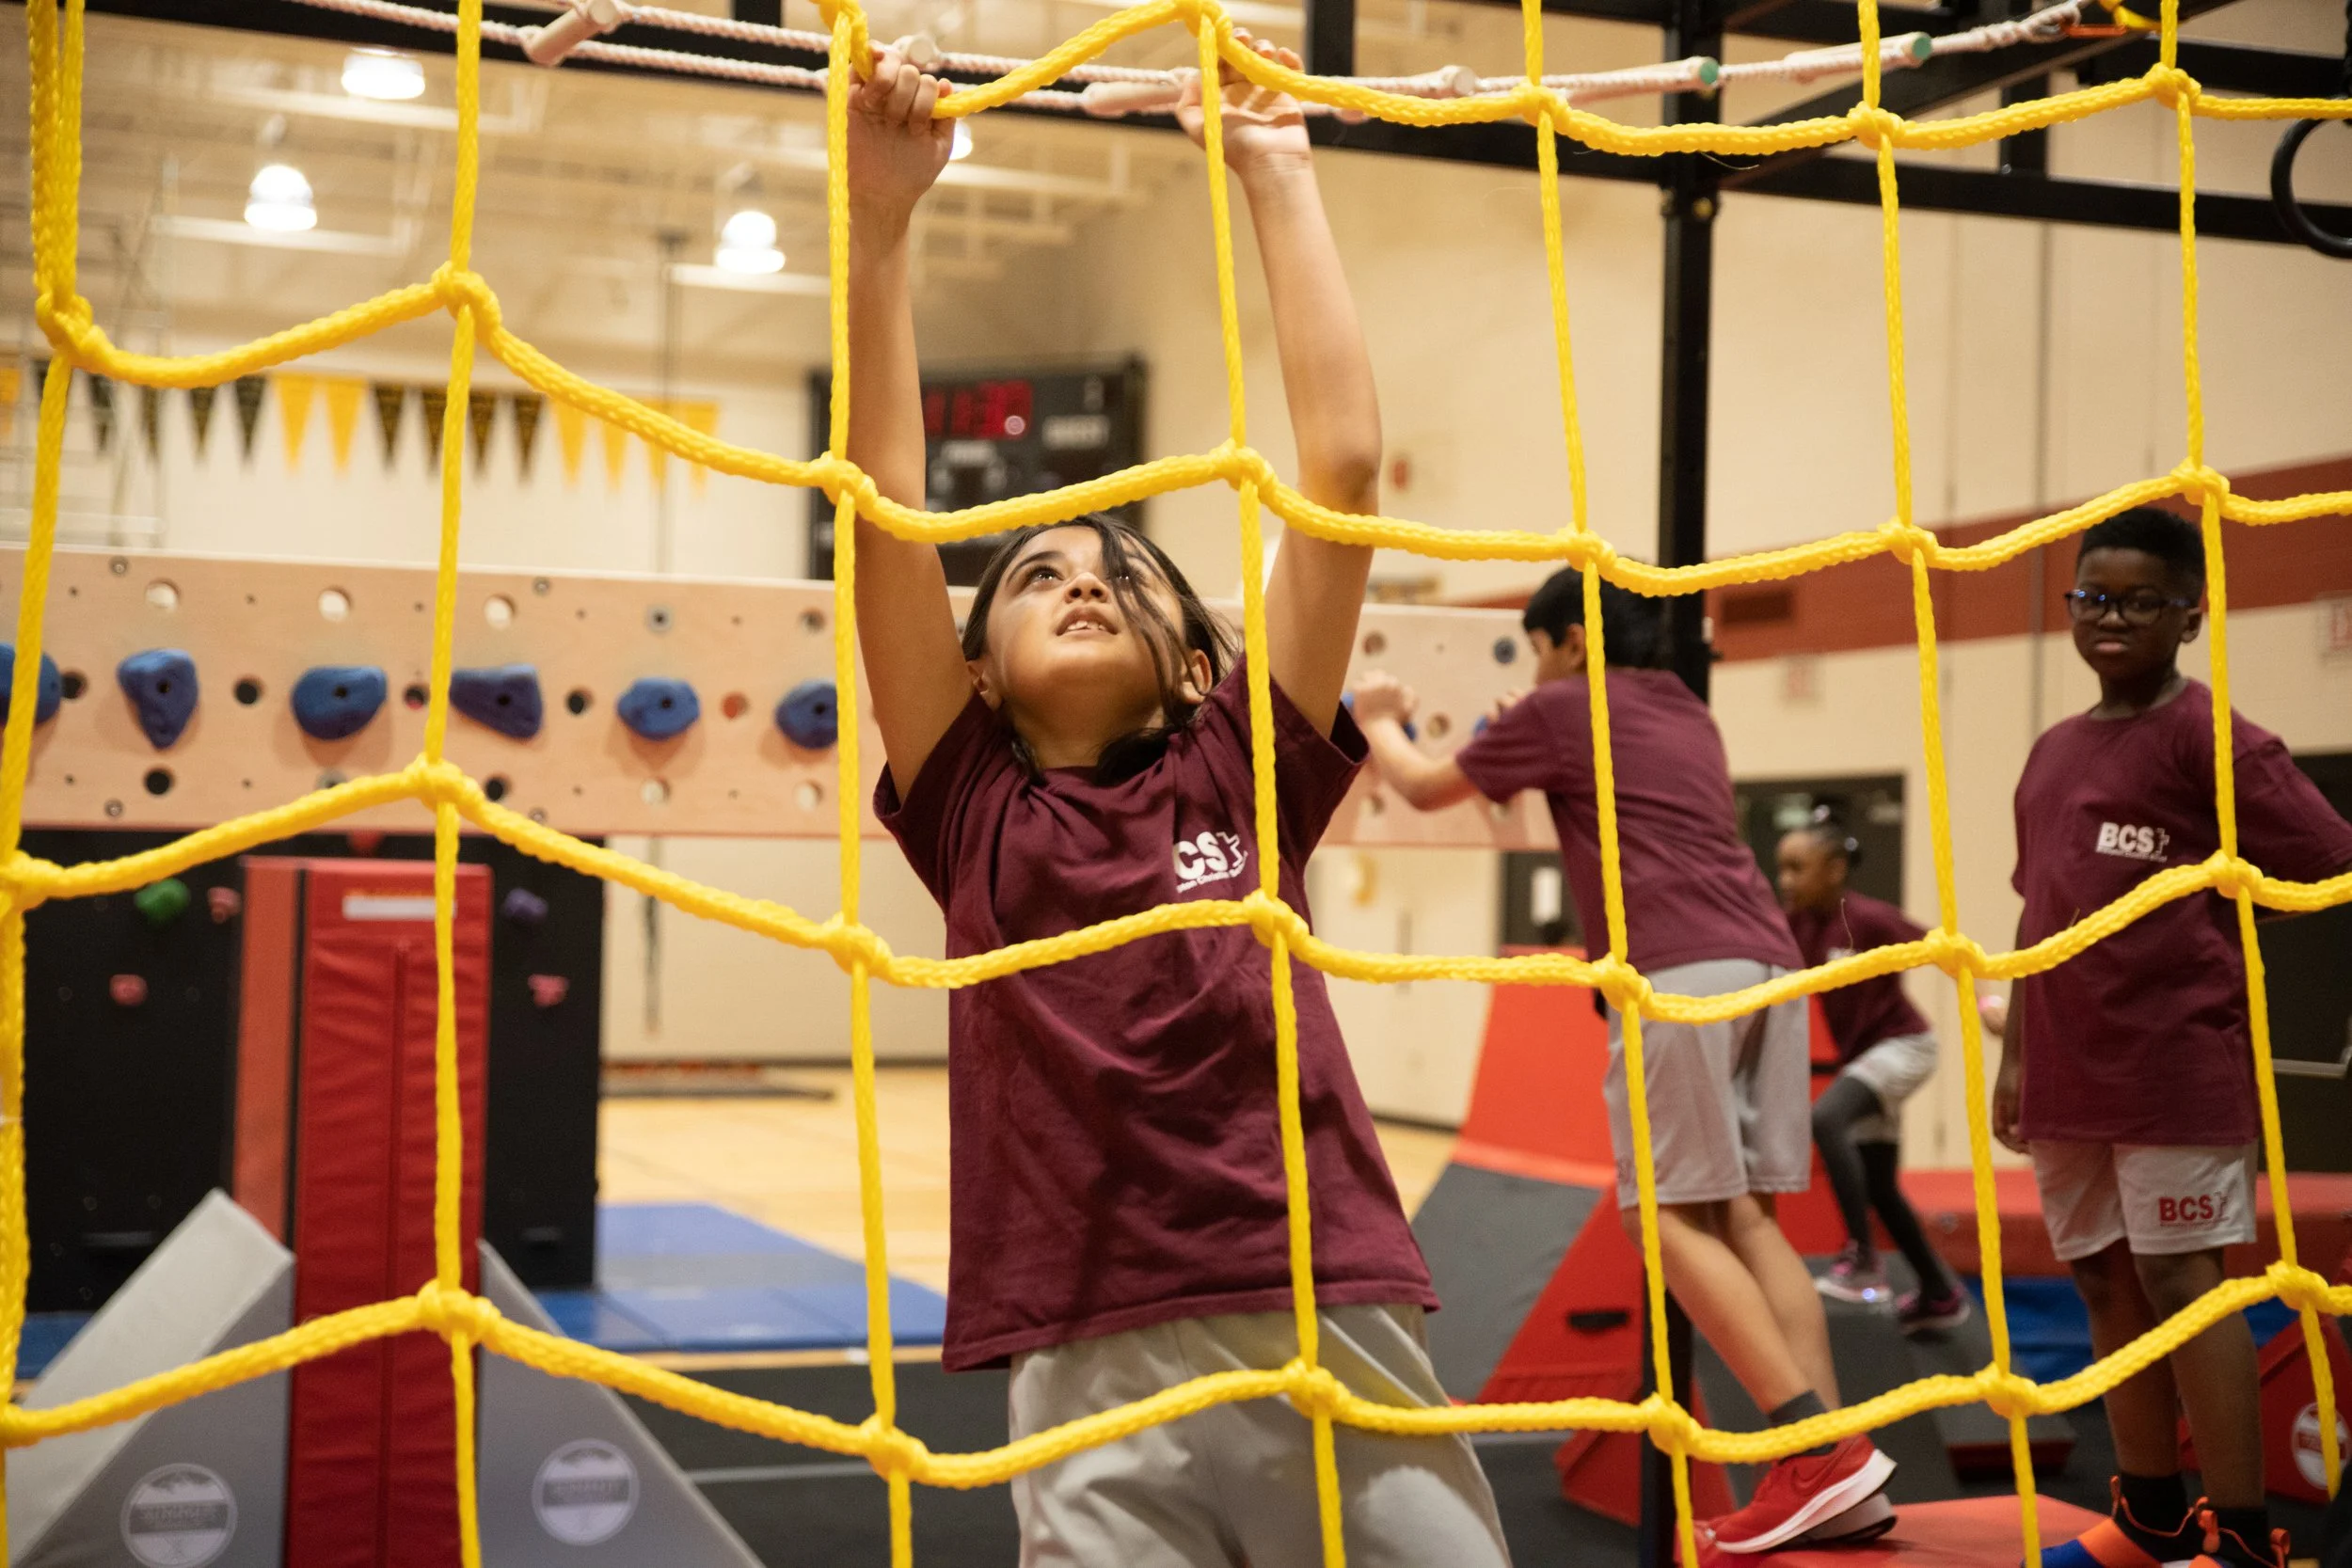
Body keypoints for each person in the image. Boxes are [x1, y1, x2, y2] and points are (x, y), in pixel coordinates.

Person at [844, 41, 1513, 1567]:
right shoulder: (972, 814)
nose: (1081, 577)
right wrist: (882, 231)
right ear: (982, 673)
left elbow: (1339, 464)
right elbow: (884, 513)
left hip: (1323, 1317)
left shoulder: (1240, 772)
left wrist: (1277, 168)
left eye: (1120, 573)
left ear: (1193, 660)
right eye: (1037, 576)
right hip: (1089, 1361)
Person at [1351, 570, 1896, 1553]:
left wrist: (1381, 715)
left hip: (1676, 965)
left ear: (1564, 638)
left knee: (1665, 1217)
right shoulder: (1683, 705)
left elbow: (1429, 786)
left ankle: (1812, 1457)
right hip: (1769, 964)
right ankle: (1829, 1453)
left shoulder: (1563, 704)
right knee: (1743, 1210)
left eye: (1536, 649)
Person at [1996, 506, 2352, 1568]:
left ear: (2190, 614)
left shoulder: (2214, 736)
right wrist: (2015, 1053)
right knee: (2103, 1280)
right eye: (2091, 597)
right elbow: (2033, 912)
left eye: (2138, 600)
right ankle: (2150, 1508)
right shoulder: (2052, 750)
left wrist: (2208, 928)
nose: (2109, 618)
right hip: (2065, 1061)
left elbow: (2328, 860)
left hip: (2172, 1068)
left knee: (2183, 1284)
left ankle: (2241, 1536)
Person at [1774, 814, 1969, 1333]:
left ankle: (1862, 1258)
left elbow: (1948, 950)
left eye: (1798, 868)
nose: (1786, 881)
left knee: (1827, 1119)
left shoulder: (1869, 919)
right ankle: (1938, 1293)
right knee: (1880, 1184)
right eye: (1782, 870)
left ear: (1836, 869)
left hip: (1905, 1046)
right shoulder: (1796, 927)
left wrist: (1990, 999)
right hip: (1864, 1056)